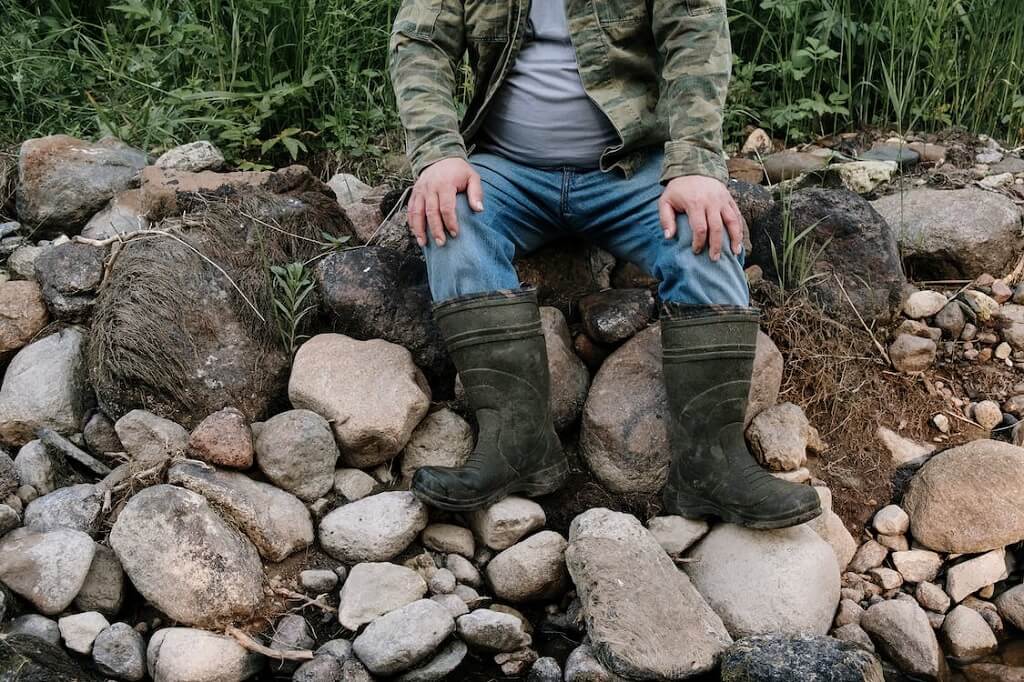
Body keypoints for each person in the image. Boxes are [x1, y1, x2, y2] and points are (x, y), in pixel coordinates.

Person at [388, 0, 821, 528]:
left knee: (702, 230)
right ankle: (518, 448)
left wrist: (695, 163)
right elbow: (420, 41)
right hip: (505, 168)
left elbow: (696, 30)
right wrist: (438, 154)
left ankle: (711, 467)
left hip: (633, 167)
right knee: (449, 219)